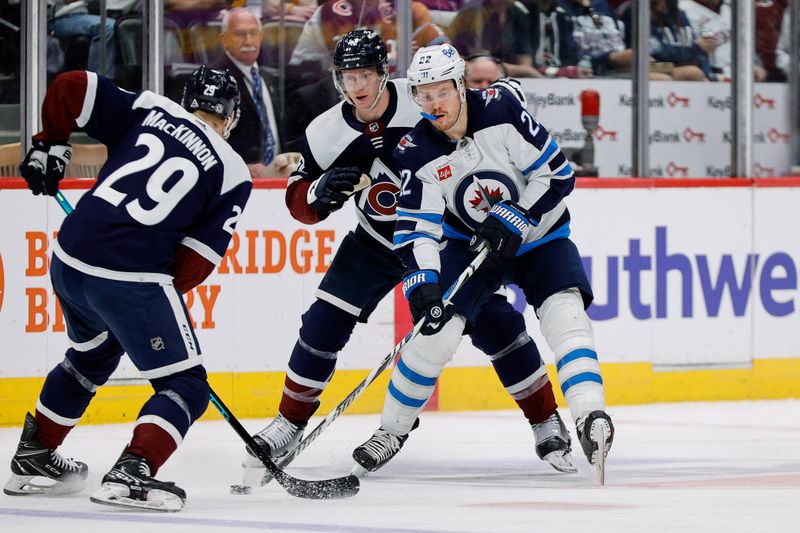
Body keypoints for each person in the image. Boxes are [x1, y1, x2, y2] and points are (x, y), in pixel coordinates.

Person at [240, 29, 577, 489]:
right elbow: (299, 204)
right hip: (373, 243)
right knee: (322, 323)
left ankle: (545, 420)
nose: (357, 85)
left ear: (384, 73)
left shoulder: (421, 97)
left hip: (439, 241)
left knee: (498, 325)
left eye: (365, 74)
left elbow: (488, 114)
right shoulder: (324, 131)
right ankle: (288, 423)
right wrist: (320, 192)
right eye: (347, 76)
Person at [352, 44, 614, 478]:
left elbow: (558, 174)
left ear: (460, 86)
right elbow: (416, 228)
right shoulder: (416, 149)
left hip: (540, 238)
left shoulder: (503, 112)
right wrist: (424, 282)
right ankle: (390, 432)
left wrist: (516, 215)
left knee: (564, 313)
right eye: (424, 94)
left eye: (443, 91)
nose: (435, 103)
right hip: (469, 246)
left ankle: (590, 417)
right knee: (434, 332)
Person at [5, 66, 252, 511]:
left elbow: (71, 85)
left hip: (68, 258)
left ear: (186, 99)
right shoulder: (233, 170)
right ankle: (133, 470)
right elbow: (195, 262)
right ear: (231, 117)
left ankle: (35, 455)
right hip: (131, 277)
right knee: (186, 384)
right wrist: (145, 307)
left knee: (92, 354)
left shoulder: (152, 108)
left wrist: (49, 144)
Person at [212, 8, 300, 177]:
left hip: (278, 178)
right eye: (240, 34)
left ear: (261, 37)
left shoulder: (269, 77)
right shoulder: (213, 78)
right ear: (224, 39)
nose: (248, 41)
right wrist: (242, 167)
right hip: (237, 179)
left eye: (254, 33)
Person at [679, 0, 767, 82]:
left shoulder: (734, 6)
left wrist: (754, 66)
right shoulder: (682, 9)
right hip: (710, 77)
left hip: (741, 75)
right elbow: (679, 57)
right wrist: (709, 75)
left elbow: (744, 43)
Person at [48, 0, 116, 77]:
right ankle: (99, 81)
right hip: (57, 19)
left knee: (122, 24)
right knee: (106, 27)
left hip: (81, 16)